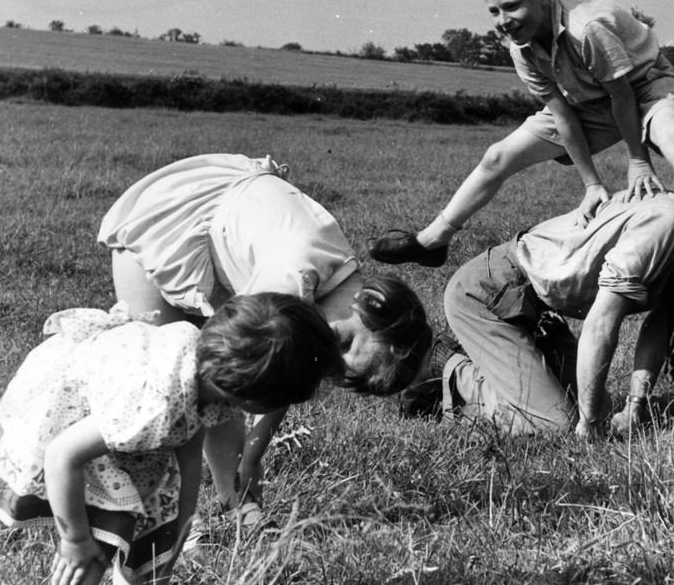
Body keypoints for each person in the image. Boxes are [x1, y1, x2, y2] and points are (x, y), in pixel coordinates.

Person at [368, 0, 674, 288]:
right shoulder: (520, 48)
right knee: (498, 156)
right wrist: (592, 184)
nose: (503, 21)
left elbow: (623, 96)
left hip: (644, 87)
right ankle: (434, 240)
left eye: (512, 6)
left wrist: (638, 162)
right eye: (493, 11)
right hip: (588, 102)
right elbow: (562, 117)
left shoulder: (586, 28)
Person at [0, 293, 344, 585]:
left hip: (124, 428)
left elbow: (188, 456)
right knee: (92, 550)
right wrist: (74, 539)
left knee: (148, 553)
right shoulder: (154, 407)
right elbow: (62, 455)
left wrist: (173, 539)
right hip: (69, 424)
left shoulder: (207, 376)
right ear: (248, 394)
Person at [98, 153, 432, 521]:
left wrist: (254, 454)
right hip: (162, 223)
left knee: (218, 393)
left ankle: (235, 502)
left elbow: (283, 376)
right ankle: (170, 518)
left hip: (217, 207)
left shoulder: (337, 282)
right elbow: (248, 375)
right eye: (345, 344)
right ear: (373, 300)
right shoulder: (291, 278)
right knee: (172, 388)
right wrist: (249, 450)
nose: (322, 354)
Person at [401, 192, 674, 438]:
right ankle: (443, 370)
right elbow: (601, 323)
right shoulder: (669, 224)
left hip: (539, 314)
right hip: (487, 295)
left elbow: (657, 329)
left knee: (587, 403)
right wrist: (591, 424)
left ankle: (501, 363)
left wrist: (635, 407)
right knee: (555, 425)